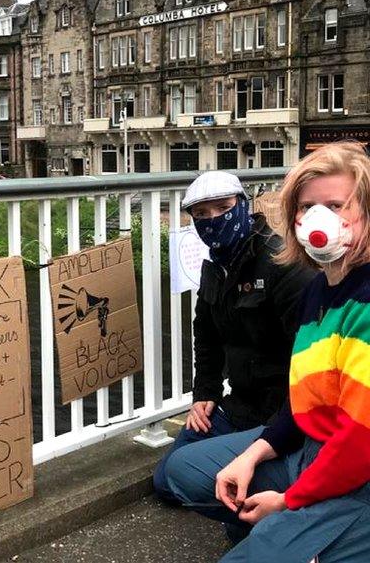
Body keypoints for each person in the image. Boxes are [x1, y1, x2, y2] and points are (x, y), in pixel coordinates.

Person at [162, 141, 370, 561]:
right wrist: (252, 453)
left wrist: (289, 500)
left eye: (336, 204)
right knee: (179, 472)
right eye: (308, 205)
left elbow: (358, 440)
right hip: (301, 439)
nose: (319, 217)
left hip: (354, 474)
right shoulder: (319, 288)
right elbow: (306, 394)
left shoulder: (344, 294)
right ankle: (284, 532)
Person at [152, 171, 314, 501]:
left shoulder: (282, 265)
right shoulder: (215, 265)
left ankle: (273, 490)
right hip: (239, 405)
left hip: (282, 413)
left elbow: (309, 360)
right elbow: (206, 334)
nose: (213, 220)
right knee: (166, 483)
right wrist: (205, 392)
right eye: (200, 214)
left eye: (223, 208)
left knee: (220, 493)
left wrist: (279, 429)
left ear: (243, 206)